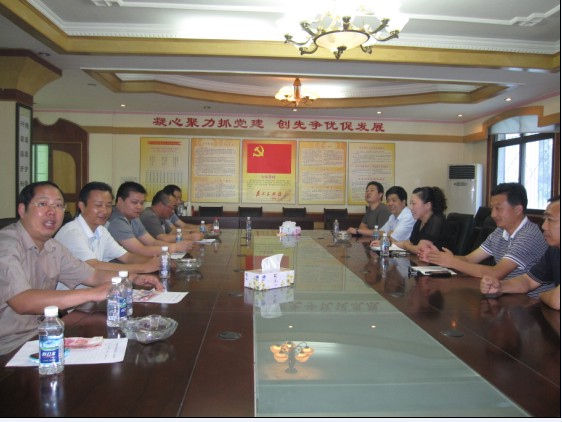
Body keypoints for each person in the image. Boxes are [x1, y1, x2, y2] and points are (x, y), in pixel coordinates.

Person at [0, 181, 162, 354]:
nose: (52, 211)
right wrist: (93, 293)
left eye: (58, 205)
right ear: (22, 209)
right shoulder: (6, 245)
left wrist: (132, 278)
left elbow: (92, 275)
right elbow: (22, 301)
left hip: (44, 335)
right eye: (43, 204)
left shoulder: (52, 247)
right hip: (9, 347)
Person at [421, 183, 547, 281]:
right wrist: (437, 257)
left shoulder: (528, 236)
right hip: (504, 293)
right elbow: (469, 259)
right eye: (492, 208)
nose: (493, 214)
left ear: (518, 209)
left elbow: (496, 273)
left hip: (531, 302)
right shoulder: (499, 232)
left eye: (498, 209)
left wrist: (452, 262)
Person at [55, 182, 160, 274]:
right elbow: (93, 266)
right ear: (82, 206)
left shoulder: (101, 230)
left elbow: (127, 257)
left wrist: (159, 262)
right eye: (98, 205)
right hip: (75, 290)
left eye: (108, 205)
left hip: (96, 287)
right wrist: (143, 267)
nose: (105, 211)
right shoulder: (72, 233)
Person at [480, 195, 559, 309]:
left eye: (550, 220)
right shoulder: (555, 250)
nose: (544, 226)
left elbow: (557, 301)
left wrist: (541, 295)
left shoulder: (530, 234)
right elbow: (528, 281)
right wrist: (500, 286)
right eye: (544, 219)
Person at [107, 181, 193, 257]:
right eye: (134, 202)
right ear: (120, 201)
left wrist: (177, 245)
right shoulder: (117, 221)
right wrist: (174, 247)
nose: (139, 207)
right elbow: (141, 250)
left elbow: (152, 242)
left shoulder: (134, 218)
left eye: (142, 203)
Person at [392, 186, 452, 254]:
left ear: (427, 205)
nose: (411, 207)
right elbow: (411, 243)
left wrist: (406, 246)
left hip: (440, 260)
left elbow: (421, 250)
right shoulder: (420, 221)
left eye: (413, 204)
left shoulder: (436, 220)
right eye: (410, 203)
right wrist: (390, 245)